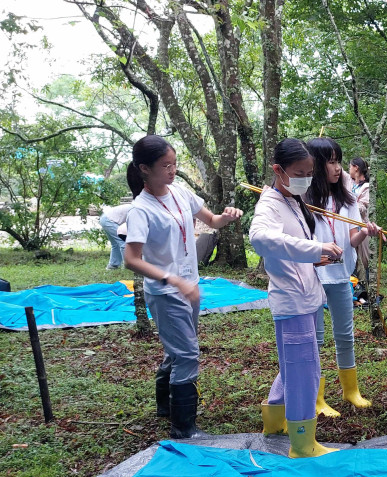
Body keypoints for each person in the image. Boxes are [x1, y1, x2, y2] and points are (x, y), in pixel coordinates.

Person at [122, 134, 243, 439]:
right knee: (187, 354)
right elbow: (131, 259)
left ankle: (165, 406)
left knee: (177, 351)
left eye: (174, 164)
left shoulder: (180, 193)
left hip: (190, 286)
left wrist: (227, 216)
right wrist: (170, 278)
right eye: (166, 165)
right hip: (166, 293)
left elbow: (212, 222)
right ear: (144, 169)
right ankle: (183, 428)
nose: (172, 170)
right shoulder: (141, 209)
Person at [249, 138, 344, 458]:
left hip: (305, 297)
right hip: (292, 301)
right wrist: (315, 249)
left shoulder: (292, 200)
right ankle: (303, 445)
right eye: (300, 173)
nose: (307, 178)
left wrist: (314, 259)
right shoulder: (270, 204)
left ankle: (274, 422)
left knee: (293, 367)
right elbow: (262, 239)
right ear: (279, 171)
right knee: (305, 373)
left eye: (309, 172)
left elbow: (288, 248)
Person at [305, 138, 382, 412]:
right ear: (314, 165)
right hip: (313, 277)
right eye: (332, 162)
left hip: (339, 274)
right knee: (316, 337)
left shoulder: (347, 199)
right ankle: (316, 398)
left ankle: (351, 391)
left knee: (345, 334)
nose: (339, 169)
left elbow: (351, 239)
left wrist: (365, 231)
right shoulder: (304, 199)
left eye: (340, 161)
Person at [348, 157, 372, 275]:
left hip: (360, 224)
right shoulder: (349, 183)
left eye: (350, 166)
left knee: (363, 259)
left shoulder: (366, 187)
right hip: (347, 224)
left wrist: (347, 207)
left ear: (356, 168)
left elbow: (363, 206)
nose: (349, 170)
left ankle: (364, 285)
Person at [98, 202, 131, 269]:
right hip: (109, 220)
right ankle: (128, 266)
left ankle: (113, 265)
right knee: (124, 242)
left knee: (115, 244)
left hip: (105, 218)